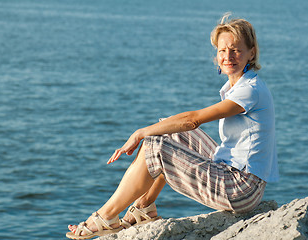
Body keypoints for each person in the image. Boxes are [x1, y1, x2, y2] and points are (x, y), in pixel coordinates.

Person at [66, 13, 279, 239]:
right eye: (222, 50)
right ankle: (144, 207)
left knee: (155, 145)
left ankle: (106, 216)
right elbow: (183, 125)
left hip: (241, 189)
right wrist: (150, 131)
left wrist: (139, 133)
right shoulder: (236, 86)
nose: (228, 56)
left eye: (235, 50)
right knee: (165, 130)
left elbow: (193, 119)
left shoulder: (250, 90)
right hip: (232, 171)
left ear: (251, 52)